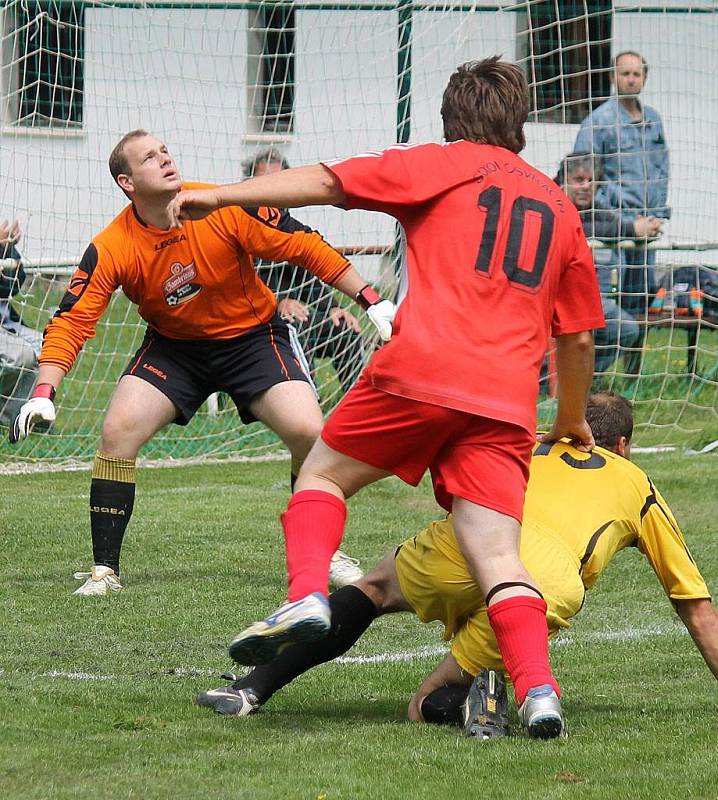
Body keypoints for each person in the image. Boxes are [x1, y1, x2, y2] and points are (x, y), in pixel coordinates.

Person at [170, 57, 605, 739]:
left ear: (449, 117)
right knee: (497, 556)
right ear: (518, 122)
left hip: (423, 369)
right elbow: (576, 339)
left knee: (321, 472)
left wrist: (219, 196)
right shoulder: (558, 204)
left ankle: (307, 594)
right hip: (506, 399)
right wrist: (572, 418)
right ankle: (539, 690)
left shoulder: (440, 162)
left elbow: (322, 182)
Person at [197, 392, 718, 733]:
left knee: (371, 590)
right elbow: (699, 612)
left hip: (477, 539)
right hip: (546, 582)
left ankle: (250, 690)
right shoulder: (637, 482)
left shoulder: (525, 445)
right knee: (424, 708)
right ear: (623, 446)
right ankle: (485, 695)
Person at [8, 129, 389, 595]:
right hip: (176, 347)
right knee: (117, 430)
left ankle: (323, 553)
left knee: (308, 431)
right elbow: (72, 320)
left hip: (253, 337)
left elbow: (303, 245)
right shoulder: (112, 245)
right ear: (128, 183)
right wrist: (44, 392)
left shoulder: (220, 204)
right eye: (150, 158)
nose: (166, 159)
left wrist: (371, 299)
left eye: (165, 150)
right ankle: (104, 572)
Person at [244, 148, 365, 393]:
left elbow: (309, 279)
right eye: (264, 181)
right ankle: (309, 403)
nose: (271, 189)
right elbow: (234, 287)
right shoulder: (237, 224)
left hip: (299, 318)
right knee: (294, 326)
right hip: (254, 322)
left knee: (344, 329)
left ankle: (356, 403)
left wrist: (333, 307)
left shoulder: (290, 228)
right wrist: (277, 303)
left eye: (278, 182)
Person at [574, 51, 669, 316]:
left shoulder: (653, 120)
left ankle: (635, 357)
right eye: (625, 74)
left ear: (645, 78)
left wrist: (657, 216)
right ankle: (605, 354)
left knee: (640, 299)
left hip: (647, 225)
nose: (630, 80)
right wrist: (610, 218)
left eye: (636, 74)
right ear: (613, 77)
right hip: (612, 226)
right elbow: (581, 177)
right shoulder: (598, 122)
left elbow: (662, 170)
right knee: (609, 300)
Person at [555, 152, 660, 375]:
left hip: (593, 300)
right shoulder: (552, 202)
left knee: (626, 330)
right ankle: (548, 378)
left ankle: (580, 377)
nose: (586, 186)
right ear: (564, 179)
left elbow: (614, 225)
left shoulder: (598, 210)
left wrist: (647, 227)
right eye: (579, 179)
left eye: (592, 180)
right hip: (555, 298)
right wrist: (631, 229)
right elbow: (578, 230)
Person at [0, 220, 43, 429]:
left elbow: (12, 285)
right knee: (21, 356)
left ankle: (24, 419)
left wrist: (6, 248)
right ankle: (6, 418)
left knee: (50, 347)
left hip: (6, 322)